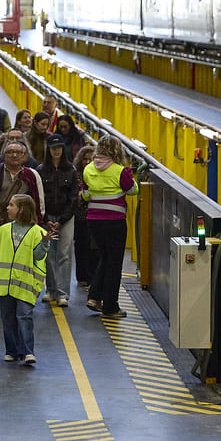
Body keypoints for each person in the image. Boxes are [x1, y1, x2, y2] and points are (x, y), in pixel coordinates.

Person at [0, 194, 49, 365]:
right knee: (7, 317)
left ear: (21, 209)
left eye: (11, 205)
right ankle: (11, 350)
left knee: (24, 316)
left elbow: (38, 256)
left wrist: (44, 243)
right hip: (5, 283)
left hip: (26, 284)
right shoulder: (2, 231)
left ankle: (28, 351)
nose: (7, 208)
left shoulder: (38, 232)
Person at [81, 135, 137, 320]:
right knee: (114, 264)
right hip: (114, 222)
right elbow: (132, 190)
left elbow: (86, 195)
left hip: (94, 221)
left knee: (105, 259)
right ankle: (110, 307)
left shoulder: (88, 169)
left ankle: (94, 298)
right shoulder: (120, 171)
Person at [39, 133, 77, 307]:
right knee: (48, 255)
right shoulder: (40, 170)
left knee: (63, 254)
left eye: (59, 148)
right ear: (49, 150)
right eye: (54, 148)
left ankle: (63, 293)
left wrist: (61, 221)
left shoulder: (71, 170)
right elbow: (38, 196)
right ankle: (51, 290)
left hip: (65, 218)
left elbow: (73, 199)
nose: (57, 151)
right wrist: (46, 219)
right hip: (47, 218)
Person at [0, 140, 44, 224]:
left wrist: (39, 223)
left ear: (23, 156)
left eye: (18, 152)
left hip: (23, 222)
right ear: (4, 155)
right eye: (10, 152)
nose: (14, 155)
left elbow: (35, 202)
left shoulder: (30, 175)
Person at [72, 145, 99, 290]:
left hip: (93, 215)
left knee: (92, 248)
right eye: (85, 159)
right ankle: (81, 276)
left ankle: (90, 276)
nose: (87, 162)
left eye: (90, 159)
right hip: (80, 217)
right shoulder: (76, 175)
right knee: (80, 246)